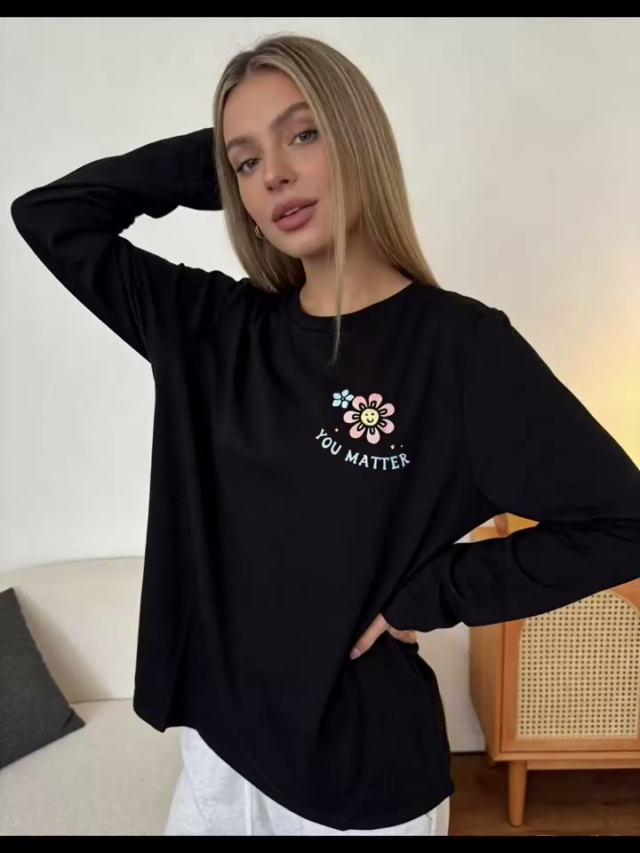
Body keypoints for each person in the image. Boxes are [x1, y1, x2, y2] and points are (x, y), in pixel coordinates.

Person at [10, 32, 640, 837]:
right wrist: (221, 161)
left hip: (360, 778)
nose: (274, 174)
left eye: (304, 133)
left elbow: (624, 523)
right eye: (247, 162)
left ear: (359, 139)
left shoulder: (460, 349)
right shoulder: (211, 330)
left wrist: (435, 592)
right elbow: (51, 216)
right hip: (219, 756)